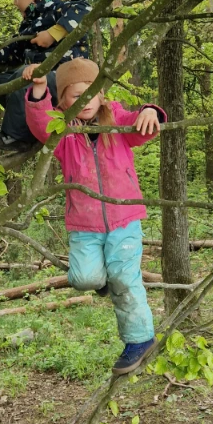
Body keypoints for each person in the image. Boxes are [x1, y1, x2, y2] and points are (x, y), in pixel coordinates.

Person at [24, 58, 166, 375]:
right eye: (76, 96)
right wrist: (38, 89)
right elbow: (38, 123)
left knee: (125, 279)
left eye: (91, 93)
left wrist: (150, 111)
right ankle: (104, 280)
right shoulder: (61, 130)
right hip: (84, 223)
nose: (85, 101)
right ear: (62, 100)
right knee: (84, 278)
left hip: (124, 218)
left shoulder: (115, 119)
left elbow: (142, 126)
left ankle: (140, 339)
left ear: (102, 94)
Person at [0, 0, 91, 153]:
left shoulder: (57, 8)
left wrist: (53, 33)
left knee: (27, 80)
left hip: (66, 82)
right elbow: (17, 49)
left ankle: (12, 137)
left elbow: (85, 10)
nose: (15, 2)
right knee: (0, 83)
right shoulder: (30, 23)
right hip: (43, 83)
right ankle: (31, 129)